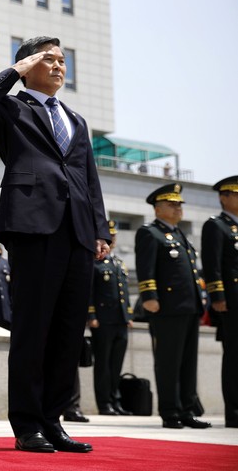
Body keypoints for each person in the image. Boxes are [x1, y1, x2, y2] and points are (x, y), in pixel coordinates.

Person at [0, 36, 110, 454]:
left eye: (63, 60)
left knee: (67, 331)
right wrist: (15, 72)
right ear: (29, 65)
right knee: (34, 330)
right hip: (33, 227)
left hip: (78, 232)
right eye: (50, 60)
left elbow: (88, 178)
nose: (60, 67)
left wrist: (100, 229)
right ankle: (27, 424)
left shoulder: (76, 119)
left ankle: (54, 419)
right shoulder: (11, 108)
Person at [135, 183, 210, 429]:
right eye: (172, 203)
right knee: (168, 362)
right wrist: (149, 297)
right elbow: (146, 268)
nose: (178, 208)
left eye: (179, 204)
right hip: (166, 308)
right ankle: (170, 412)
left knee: (188, 363)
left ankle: (187, 410)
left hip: (189, 307)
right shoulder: (150, 233)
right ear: (157, 209)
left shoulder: (179, 235)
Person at [201, 176, 238, 428]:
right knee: (234, 357)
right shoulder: (216, 226)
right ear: (223, 197)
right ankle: (233, 411)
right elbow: (212, 264)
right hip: (231, 302)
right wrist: (218, 296)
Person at [89, 220, 133, 415]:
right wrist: (91, 315)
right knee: (103, 365)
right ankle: (104, 403)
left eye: (114, 236)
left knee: (116, 364)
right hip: (103, 320)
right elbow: (89, 291)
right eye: (109, 236)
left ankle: (116, 401)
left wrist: (128, 315)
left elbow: (125, 292)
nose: (112, 239)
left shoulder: (119, 263)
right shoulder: (95, 262)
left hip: (120, 320)